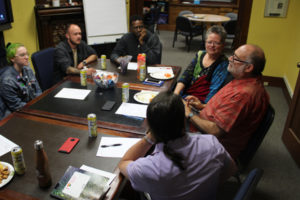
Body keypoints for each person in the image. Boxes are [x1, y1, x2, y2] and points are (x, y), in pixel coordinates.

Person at [119, 91, 236, 200]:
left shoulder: (149, 167)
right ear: (184, 121)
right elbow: (230, 170)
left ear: (151, 126)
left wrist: (149, 138)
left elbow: (124, 162)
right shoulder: (211, 142)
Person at [184, 44, 270, 160]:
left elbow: (215, 131)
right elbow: (226, 110)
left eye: (235, 58)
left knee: (163, 125)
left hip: (212, 144)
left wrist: (189, 114)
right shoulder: (244, 79)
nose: (230, 58)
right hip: (205, 127)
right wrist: (202, 106)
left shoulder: (243, 95)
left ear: (248, 68)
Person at [174, 25, 230, 104]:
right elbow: (186, 75)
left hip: (200, 101)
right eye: (209, 42)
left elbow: (213, 91)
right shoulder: (200, 54)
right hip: (187, 92)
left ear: (223, 45)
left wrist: (201, 106)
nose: (212, 46)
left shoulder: (223, 64)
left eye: (216, 43)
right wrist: (176, 94)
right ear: (205, 42)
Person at [0, 43, 42, 116]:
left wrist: (41, 102)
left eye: (27, 54)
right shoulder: (7, 81)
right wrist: (35, 108)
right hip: (15, 113)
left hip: (32, 106)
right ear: (12, 59)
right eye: (22, 55)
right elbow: (16, 106)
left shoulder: (28, 70)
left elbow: (38, 90)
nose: (27, 57)